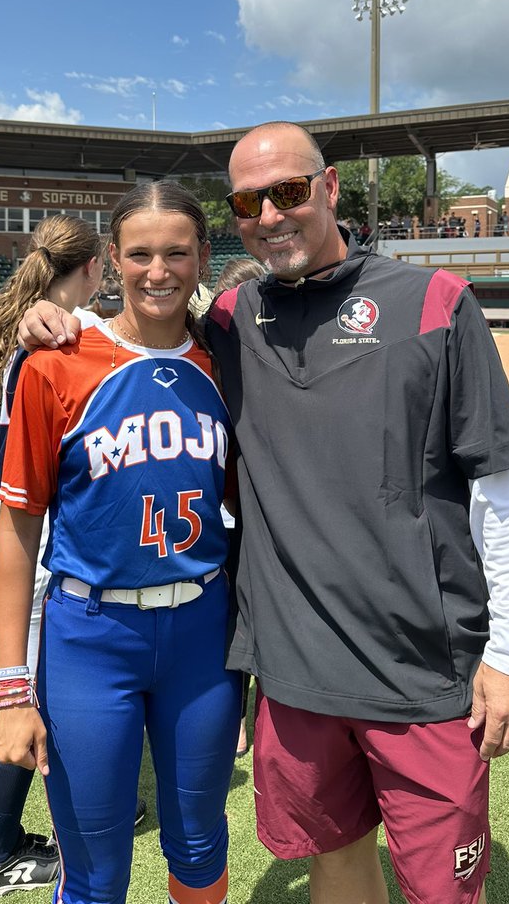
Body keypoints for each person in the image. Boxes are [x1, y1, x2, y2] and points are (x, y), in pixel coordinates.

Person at [20, 123, 509, 904]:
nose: (271, 214)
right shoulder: (232, 322)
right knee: (335, 861)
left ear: (330, 189)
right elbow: (147, 345)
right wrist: (67, 323)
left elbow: (501, 490)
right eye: (248, 201)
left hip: (423, 671)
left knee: (442, 891)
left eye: (290, 191)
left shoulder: (434, 303)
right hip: (295, 677)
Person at [0, 182, 241, 904]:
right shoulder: (56, 360)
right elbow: (18, 527)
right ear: (111, 259)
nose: (157, 271)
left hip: (202, 631)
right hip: (91, 635)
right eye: (139, 254)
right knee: (97, 868)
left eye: (176, 253)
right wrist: (10, 688)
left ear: (202, 258)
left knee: (199, 841)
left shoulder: (228, 363)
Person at [0, 217, 105, 899]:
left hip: (4, 515)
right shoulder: (59, 335)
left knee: (44, 683)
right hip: (35, 528)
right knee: (30, 693)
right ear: (96, 268)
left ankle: (81, 799)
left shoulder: (9, 328)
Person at [211, 255, 263, 760]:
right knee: (231, 623)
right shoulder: (208, 355)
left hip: (246, 514)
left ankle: (243, 723)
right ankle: (240, 722)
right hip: (231, 514)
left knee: (237, 623)